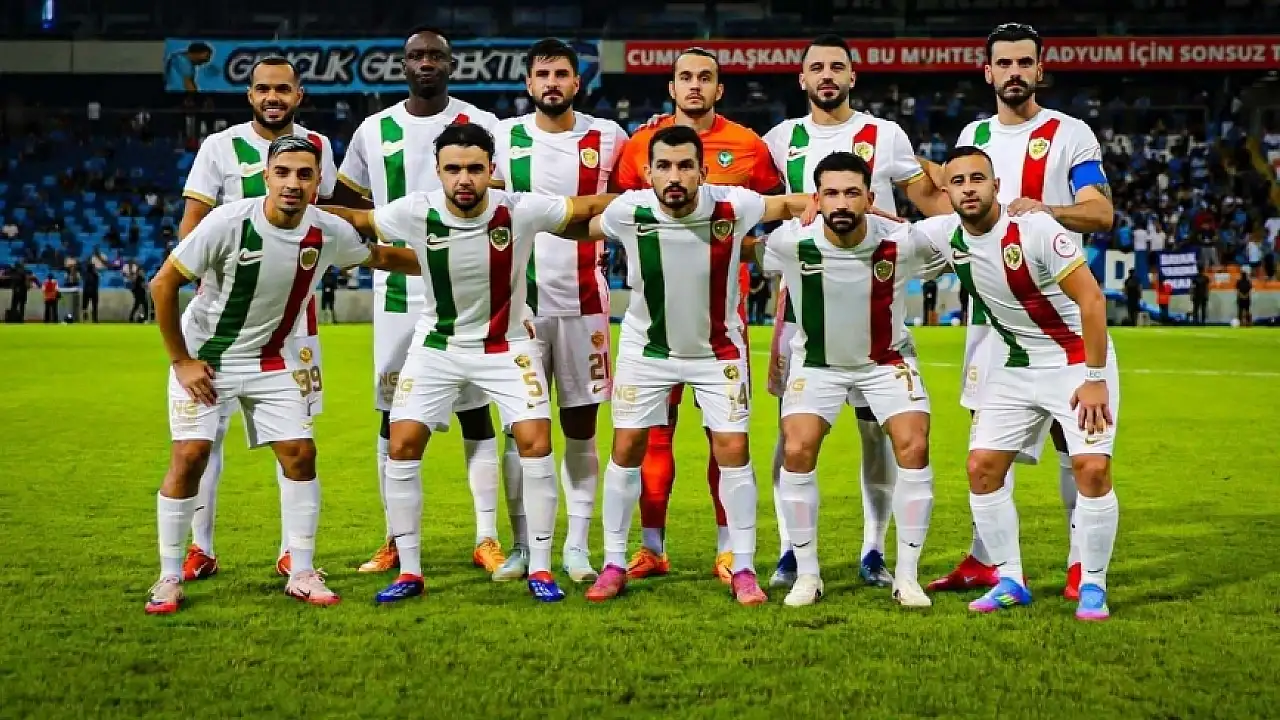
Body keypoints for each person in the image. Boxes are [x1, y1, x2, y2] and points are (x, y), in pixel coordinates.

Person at [324, 123, 616, 603]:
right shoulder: (416, 210)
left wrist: (648, 200)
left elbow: (583, 208)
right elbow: (359, 219)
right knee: (402, 444)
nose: (464, 178)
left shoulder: (518, 209)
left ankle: (541, 567)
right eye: (454, 169)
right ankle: (410, 571)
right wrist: (299, 212)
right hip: (437, 346)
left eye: (475, 168)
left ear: (491, 169)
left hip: (506, 347)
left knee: (536, 442)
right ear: (438, 171)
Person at [144, 135, 421, 615]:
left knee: (300, 454)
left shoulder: (327, 230)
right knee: (190, 455)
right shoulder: (228, 222)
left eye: (304, 174)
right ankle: (169, 576)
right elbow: (163, 284)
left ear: (317, 182)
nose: (293, 183)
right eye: (284, 173)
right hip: (209, 357)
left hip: (273, 359)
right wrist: (181, 361)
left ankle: (302, 571)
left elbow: (381, 258)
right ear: (266, 176)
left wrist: (455, 261)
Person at [581, 125, 811, 605]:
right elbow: (579, 223)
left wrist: (815, 203)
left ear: (703, 172)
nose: (675, 176)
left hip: (717, 353)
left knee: (733, 450)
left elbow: (787, 204)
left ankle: (743, 566)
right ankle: (613, 563)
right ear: (648, 172)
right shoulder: (629, 210)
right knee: (626, 447)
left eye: (685, 165)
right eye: (664, 166)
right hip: (647, 350)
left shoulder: (734, 205)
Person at [925, 23, 1114, 600]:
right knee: (986, 444)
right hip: (991, 317)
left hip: (1054, 309)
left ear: (1039, 70)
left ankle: (1081, 564)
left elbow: (1100, 213)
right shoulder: (974, 134)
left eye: (1023, 63)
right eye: (1003, 63)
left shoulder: (1068, 133)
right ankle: (988, 561)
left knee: (1069, 438)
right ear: (988, 73)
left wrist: (1046, 211)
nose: (1013, 72)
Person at [761, 34, 952, 589]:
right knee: (792, 432)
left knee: (877, 431)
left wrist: (962, 195)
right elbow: (748, 199)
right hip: (802, 302)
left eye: (837, 67)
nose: (827, 75)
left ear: (852, 76)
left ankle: (874, 547)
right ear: (802, 79)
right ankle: (789, 549)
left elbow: (929, 200)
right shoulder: (780, 139)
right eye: (817, 67)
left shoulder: (885, 134)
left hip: (876, 296)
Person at [332, 27, 509, 577]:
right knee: (392, 415)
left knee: (475, 410)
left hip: (467, 290)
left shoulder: (483, 124)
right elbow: (348, 205)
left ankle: (486, 537)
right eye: (416, 55)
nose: (425, 62)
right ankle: (394, 537)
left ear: (451, 64)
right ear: (403, 65)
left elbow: (504, 201)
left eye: (435, 55)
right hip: (396, 292)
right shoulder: (374, 129)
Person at [612, 47, 783, 584]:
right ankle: (650, 548)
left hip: (722, 324)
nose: (695, 85)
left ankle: (730, 552)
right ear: (671, 87)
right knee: (652, 437)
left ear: (719, 88)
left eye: (705, 77)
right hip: (655, 327)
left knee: (724, 440)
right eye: (685, 76)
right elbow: (618, 214)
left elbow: (777, 209)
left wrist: (748, 253)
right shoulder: (639, 144)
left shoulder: (749, 146)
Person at [178, 56, 339, 581]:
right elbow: (193, 221)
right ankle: (200, 547)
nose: (273, 97)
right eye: (264, 89)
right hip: (227, 318)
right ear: (250, 95)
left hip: (294, 320)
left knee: (295, 438)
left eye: (283, 89)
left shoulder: (318, 145)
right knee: (205, 436)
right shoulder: (219, 146)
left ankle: (294, 551)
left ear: (298, 95)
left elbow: (325, 219)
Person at [489, 38, 631, 584]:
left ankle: (576, 547)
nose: (552, 83)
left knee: (580, 428)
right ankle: (523, 545)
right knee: (519, 430)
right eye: (543, 74)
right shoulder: (504, 136)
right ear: (529, 83)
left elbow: (629, 201)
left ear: (577, 82)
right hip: (517, 310)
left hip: (584, 305)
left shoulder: (608, 136)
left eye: (561, 73)